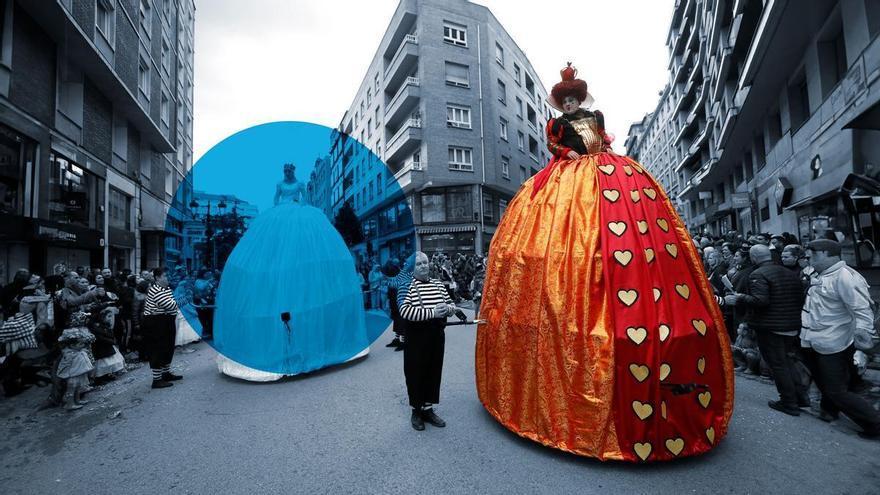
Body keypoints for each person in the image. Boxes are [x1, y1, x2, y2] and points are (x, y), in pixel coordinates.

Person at [476, 63, 734, 462]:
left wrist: (600, 155)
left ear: (581, 98)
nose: (572, 102)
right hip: (568, 179)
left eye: (575, 96)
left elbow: (603, 143)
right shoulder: (556, 126)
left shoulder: (594, 118)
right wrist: (570, 154)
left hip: (610, 177)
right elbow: (557, 150)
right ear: (561, 103)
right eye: (566, 98)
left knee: (631, 238)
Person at [212, 163, 369, 381]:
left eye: (290, 171)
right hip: (282, 214)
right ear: (284, 173)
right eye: (286, 171)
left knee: (297, 256)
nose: (288, 174)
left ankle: (310, 348)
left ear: (293, 172)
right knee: (282, 257)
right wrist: (280, 208)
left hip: (298, 213)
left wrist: (297, 206)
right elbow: (276, 199)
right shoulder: (279, 185)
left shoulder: (301, 185)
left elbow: (305, 199)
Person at [801, 239, 880, 439]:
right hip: (815, 340)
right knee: (823, 381)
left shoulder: (846, 277)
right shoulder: (819, 274)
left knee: (836, 390)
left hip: (834, 343)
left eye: (812, 255)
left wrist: (863, 341)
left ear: (826, 254)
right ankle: (829, 411)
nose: (808, 259)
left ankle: (874, 423)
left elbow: (862, 311)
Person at [725, 245, 808, 415]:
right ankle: (800, 398)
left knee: (778, 365)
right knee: (787, 361)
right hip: (791, 324)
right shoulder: (787, 272)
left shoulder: (758, 274)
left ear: (754, 258)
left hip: (771, 327)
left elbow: (761, 300)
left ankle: (789, 402)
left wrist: (740, 298)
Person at [400, 252, 456, 431]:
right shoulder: (406, 285)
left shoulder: (439, 284)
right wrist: (433, 312)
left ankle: (428, 409)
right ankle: (416, 411)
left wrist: (447, 308)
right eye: (419, 264)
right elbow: (405, 312)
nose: (424, 266)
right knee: (416, 373)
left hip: (436, 336)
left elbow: (452, 304)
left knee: (433, 371)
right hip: (416, 338)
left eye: (425, 262)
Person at [142, 267, 181, 389]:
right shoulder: (156, 290)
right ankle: (157, 380)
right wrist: (184, 299)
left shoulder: (166, 288)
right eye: (166, 276)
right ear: (157, 277)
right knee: (157, 349)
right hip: (156, 322)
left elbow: (173, 305)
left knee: (168, 347)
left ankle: (165, 373)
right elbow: (171, 305)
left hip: (165, 320)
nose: (169, 278)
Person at [56, 313, 95, 411]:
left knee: (77, 388)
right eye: (80, 344)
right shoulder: (70, 354)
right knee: (71, 389)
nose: (82, 345)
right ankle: (70, 403)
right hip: (72, 374)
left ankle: (77, 401)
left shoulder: (79, 351)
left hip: (79, 373)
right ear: (72, 345)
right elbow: (66, 365)